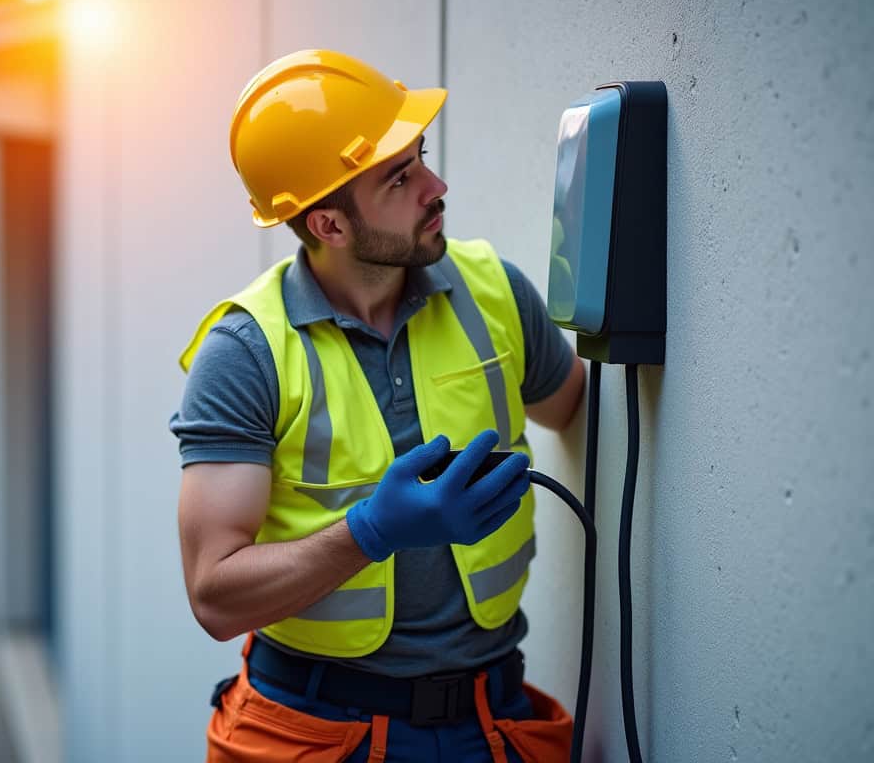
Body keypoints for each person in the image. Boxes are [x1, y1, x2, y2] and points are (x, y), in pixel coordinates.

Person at [170, 49, 587, 762]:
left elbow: (576, 407)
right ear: (329, 226)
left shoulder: (494, 291)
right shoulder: (248, 351)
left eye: (420, 155)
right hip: (316, 730)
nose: (436, 184)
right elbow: (215, 596)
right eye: (400, 177)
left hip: (491, 721)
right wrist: (369, 532)